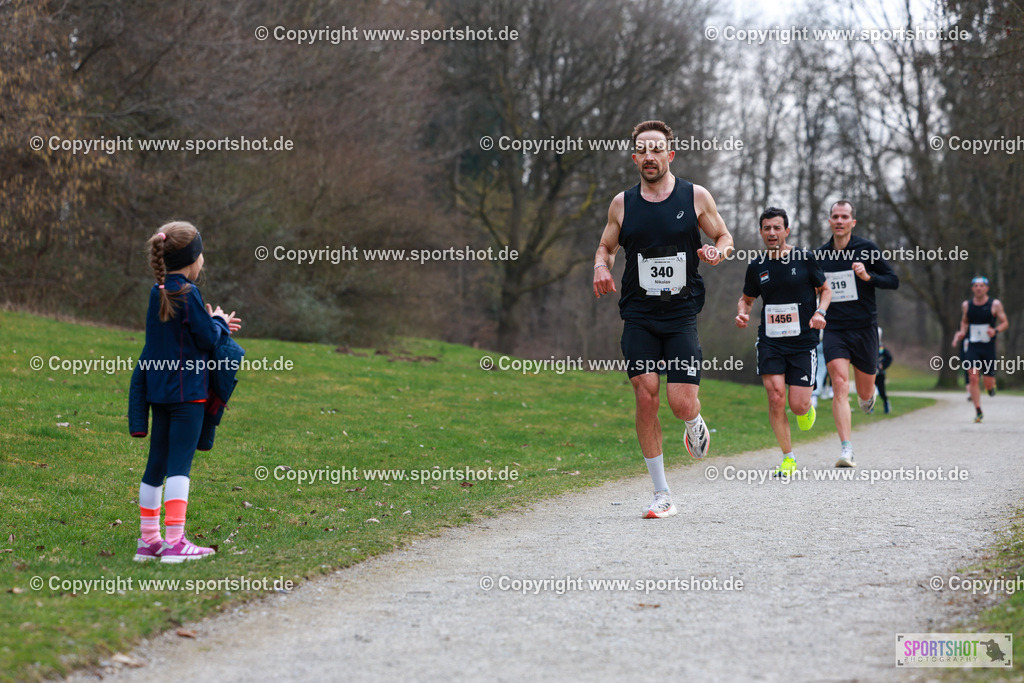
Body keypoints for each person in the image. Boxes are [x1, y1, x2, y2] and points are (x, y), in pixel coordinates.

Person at [593, 120, 733, 519]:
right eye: (643, 150)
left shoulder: (695, 197)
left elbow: (724, 237)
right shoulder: (622, 204)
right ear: (635, 156)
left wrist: (717, 253)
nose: (650, 156)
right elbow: (605, 246)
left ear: (669, 155)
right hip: (638, 313)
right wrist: (601, 267)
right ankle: (662, 493)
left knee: (680, 401)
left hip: (681, 312)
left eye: (658, 149)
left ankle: (693, 422)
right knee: (645, 392)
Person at [132, 221, 241, 563]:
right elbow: (208, 338)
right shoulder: (188, 293)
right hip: (188, 396)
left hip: (159, 394)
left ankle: (149, 541)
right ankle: (176, 542)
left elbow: (176, 335)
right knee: (180, 465)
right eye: (201, 254)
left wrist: (210, 322)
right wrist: (220, 321)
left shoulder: (158, 291)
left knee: (156, 465)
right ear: (193, 260)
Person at [736, 207, 830, 476]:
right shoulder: (757, 266)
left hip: (803, 341)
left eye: (777, 228)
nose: (772, 233)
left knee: (797, 405)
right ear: (761, 232)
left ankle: (805, 408)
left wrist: (820, 312)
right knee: (776, 397)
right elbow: (747, 298)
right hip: (771, 341)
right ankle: (788, 458)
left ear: (786, 231)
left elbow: (825, 290)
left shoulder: (804, 259)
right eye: (767, 228)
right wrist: (743, 313)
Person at [815, 200, 899, 467]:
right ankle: (846, 450)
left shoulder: (867, 249)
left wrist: (868, 277)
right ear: (829, 221)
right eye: (835, 216)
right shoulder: (820, 256)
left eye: (845, 216)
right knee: (839, 384)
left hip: (864, 330)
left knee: (864, 393)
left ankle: (868, 396)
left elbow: (893, 281)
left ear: (853, 222)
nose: (839, 221)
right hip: (834, 329)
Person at [951, 276, 1008, 423]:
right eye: (976, 286)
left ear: (987, 288)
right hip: (973, 346)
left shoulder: (994, 304)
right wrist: (962, 332)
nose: (978, 288)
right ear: (972, 288)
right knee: (973, 376)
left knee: (988, 382)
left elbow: (1005, 322)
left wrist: (995, 331)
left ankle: (990, 387)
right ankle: (978, 411)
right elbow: (964, 321)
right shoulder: (967, 305)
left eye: (981, 286)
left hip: (988, 347)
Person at [875, 327, 893, 414]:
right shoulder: (868, 346)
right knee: (869, 391)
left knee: (881, 391)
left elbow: (889, 358)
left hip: (880, 374)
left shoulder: (882, 347)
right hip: (870, 372)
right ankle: (869, 408)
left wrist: (883, 365)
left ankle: (886, 403)